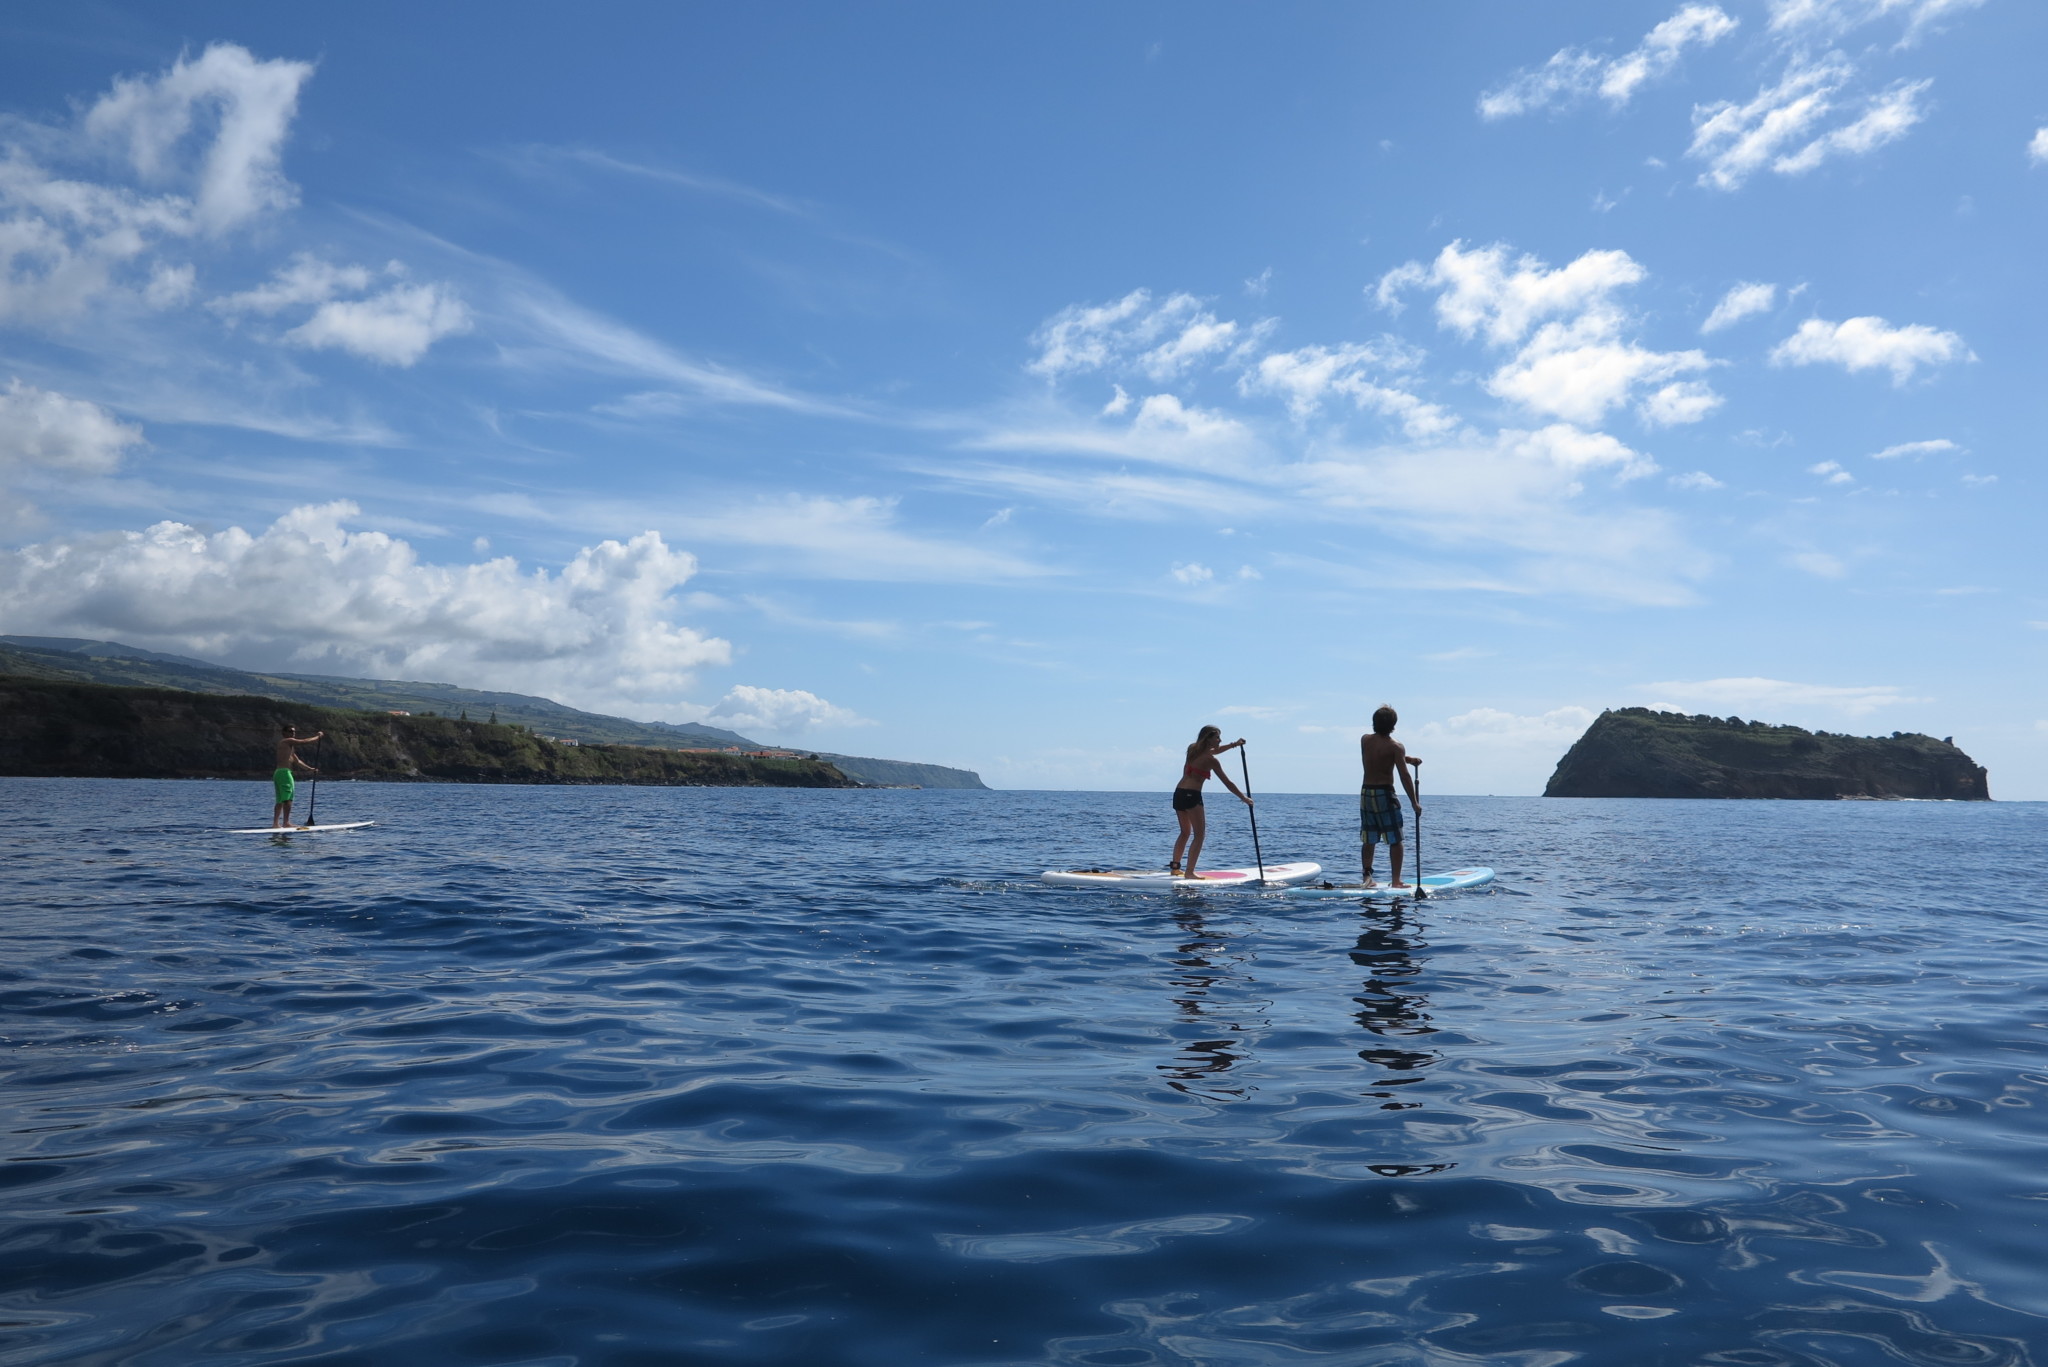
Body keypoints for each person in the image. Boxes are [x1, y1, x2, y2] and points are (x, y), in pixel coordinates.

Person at [1171, 725, 1252, 877]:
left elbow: (1215, 750)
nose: (1220, 740)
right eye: (1217, 738)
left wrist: (1234, 744)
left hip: (1179, 793)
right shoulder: (1211, 760)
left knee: (1185, 832)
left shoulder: (1192, 750)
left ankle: (1175, 868)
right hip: (1192, 795)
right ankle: (1189, 872)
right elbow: (1228, 783)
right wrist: (1244, 798)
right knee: (1199, 835)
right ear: (1208, 739)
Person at [1359, 704, 1421, 887]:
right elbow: (1404, 776)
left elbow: (1381, 754)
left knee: (1369, 838)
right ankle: (1396, 881)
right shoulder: (1396, 747)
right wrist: (1414, 803)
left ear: (1374, 723)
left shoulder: (1365, 740)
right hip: (1385, 794)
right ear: (1393, 725)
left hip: (1366, 793)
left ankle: (1367, 878)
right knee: (1396, 839)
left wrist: (1408, 759)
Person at [271, 723, 324, 828]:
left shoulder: (290, 748)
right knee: (288, 799)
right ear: (284, 733)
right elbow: (304, 742)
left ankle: (276, 824)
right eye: (290, 731)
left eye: (294, 731)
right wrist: (318, 737)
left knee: (280, 800)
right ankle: (286, 823)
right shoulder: (286, 741)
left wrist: (310, 769)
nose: (293, 733)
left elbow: (298, 761)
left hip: (279, 773)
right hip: (284, 773)